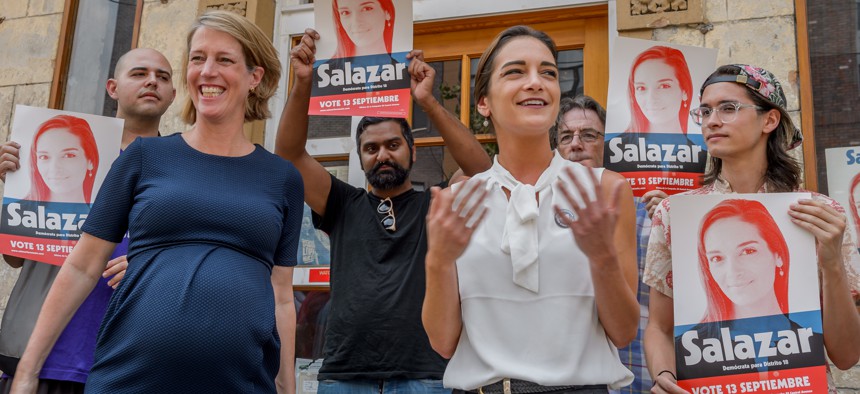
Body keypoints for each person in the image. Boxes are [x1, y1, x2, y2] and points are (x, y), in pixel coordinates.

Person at [10, 10, 302, 394]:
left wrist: (287, 386)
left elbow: (281, 296)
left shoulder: (282, 179)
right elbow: (81, 267)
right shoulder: (145, 157)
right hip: (130, 379)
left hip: (241, 383)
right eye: (197, 58)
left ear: (255, 77)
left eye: (224, 59)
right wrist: (27, 372)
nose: (207, 71)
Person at [422, 25, 639, 393]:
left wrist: (602, 257)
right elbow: (443, 343)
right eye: (515, 71)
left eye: (549, 73)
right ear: (483, 102)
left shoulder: (606, 190)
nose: (536, 82)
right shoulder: (460, 202)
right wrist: (439, 261)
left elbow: (623, 332)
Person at [279, 28, 491, 393]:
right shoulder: (342, 203)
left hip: (424, 374)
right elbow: (289, 156)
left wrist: (429, 103)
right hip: (346, 376)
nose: (383, 154)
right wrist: (302, 84)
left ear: (412, 150)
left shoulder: (435, 205)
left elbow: (482, 172)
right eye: (371, 148)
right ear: (360, 158)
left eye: (393, 144)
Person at [644, 64, 860, 394]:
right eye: (704, 111)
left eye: (728, 108)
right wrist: (664, 376)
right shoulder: (675, 214)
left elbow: (846, 356)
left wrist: (831, 262)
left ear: (769, 120)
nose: (711, 120)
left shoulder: (819, 214)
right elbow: (659, 326)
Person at [0, 47, 175, 393]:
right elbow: (15, 258)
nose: (152, 81)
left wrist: (154, 263)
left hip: (131, 358)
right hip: (43, 355)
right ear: (112, 88)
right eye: (139, 73)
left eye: (163, 77)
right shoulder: (65, 161)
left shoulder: (181, 170)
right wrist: (14, 191)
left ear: (173, 94)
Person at [551, 95, 663, 393]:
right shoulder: (539, 210)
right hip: (575, 378)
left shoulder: (649, 209)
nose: (576, 144)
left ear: (610, 144)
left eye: (588, 135)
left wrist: (672, 222)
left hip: (642, 370)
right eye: (566, 136)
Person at [24, 115, 99, 204]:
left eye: (68, 155)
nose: (54, 167)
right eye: (44, 157)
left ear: (90, 161)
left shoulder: (107, 215)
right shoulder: (15, 211)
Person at [625, 46, 692, 135]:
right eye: (641, 88)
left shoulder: (702, 148)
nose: (651, 99)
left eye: (664, 86)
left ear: (685, 92)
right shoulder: (614, 147)